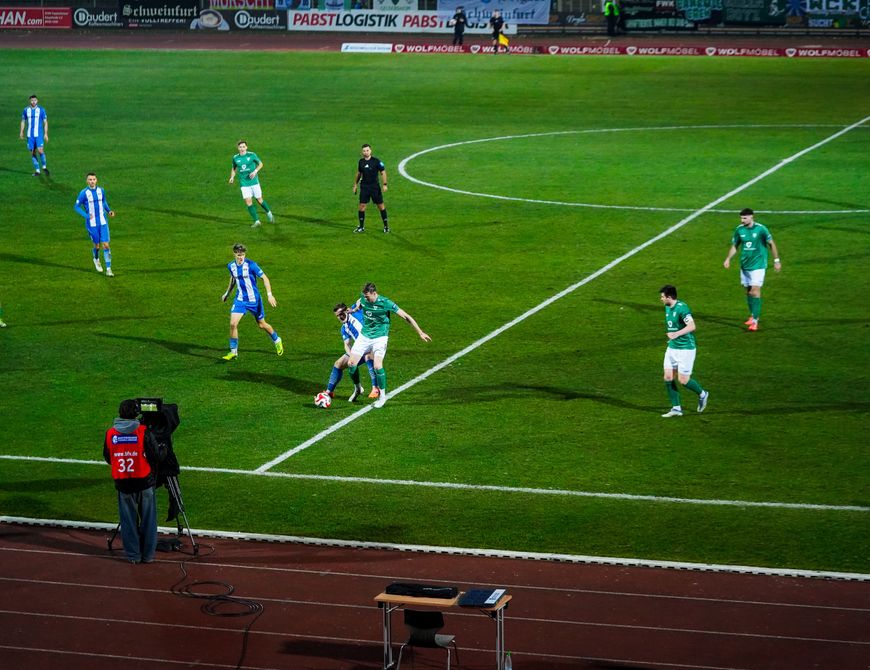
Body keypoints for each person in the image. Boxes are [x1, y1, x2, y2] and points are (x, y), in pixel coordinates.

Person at [346, 282, 431, 408]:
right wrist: (353, 310)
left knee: (377, 365)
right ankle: (358, 388)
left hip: (380, 338)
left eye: (368, 296)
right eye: (364, 296)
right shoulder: (363, 298)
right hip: (365, 336)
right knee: (351, 364)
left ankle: (383, 396)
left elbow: (406, 316)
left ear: (374, 293)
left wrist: (420, 332)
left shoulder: (385, 303)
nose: (366, 298)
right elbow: (359, 303)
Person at [104, 399, 161, 564]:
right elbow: (155, 456)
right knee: (149, 520)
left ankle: (133, 556)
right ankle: (148, 556)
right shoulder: (143, 431)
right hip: (144, 482)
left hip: (123, 484)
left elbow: (108, 457)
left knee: (128, 522)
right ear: (136, 413)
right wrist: (163, 450)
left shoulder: (110, 433)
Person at [220, 243, 283, 360]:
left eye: (243, 255)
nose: (241, 257)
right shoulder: (231, 266)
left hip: (254, 300)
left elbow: (265, 278)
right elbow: (233, 279)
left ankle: (277, 339)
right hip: (240, 300)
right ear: (234, 254)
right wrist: (227, 294)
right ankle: (233, 352)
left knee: (261, 324)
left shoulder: (251, 265)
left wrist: (270, 295)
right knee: (233, 324)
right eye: (239, 255)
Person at [723, 208, 782, 331]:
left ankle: (755, 320)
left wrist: (776, 260)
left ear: (751, 217)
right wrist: (728, 258)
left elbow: (771, 243)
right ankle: (752, 315)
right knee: (748, 291)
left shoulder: (761, 229)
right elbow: (735, 246)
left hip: (758, 266)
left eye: (744, 218)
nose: (742, 220)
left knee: (754, 291)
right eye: (741, 218)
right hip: (745, 265)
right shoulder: (739, 230)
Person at [659, 285, 709, 418]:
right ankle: (676, 408)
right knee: (668, 377)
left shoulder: (682, 308)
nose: (661, 299)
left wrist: (676, 334)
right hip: (672, 348)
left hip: (686, 350)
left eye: (662, 297)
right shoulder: (667, 307)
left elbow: (692, 326)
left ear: (669, 297)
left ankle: (702, 394)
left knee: (683, 380)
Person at [323, 302, 380, 402]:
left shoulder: (355, 311)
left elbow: (362, 299)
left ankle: (375, 387)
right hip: (360, 349)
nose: (340, 317)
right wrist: (351, 356)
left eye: (341, 313)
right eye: (337, 316)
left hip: (374, 341)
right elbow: (347, 344)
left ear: (346, 310)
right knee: (338, 363)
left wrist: (355, 308)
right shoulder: (344, 328)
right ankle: (329, 392)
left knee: (368, 356)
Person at [74, 173, 116, 276]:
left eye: (93, 179)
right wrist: (86, 215)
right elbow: (76, 207)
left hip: (103, 222)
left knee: (106, 245)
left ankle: (109, 268)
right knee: (97, 246)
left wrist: (109, 210)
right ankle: (96, 259)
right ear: (87, 181)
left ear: (96, 180)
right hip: (92, 224)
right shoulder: (83, 193)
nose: (92, 181)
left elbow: (104, 202)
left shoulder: (101, 190)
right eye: (90, 180)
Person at [229, 140, 274, 228]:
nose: (242, 148)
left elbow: (261, 164)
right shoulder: (235, 158)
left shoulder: (252, 155)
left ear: (246, 147)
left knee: (259, 200)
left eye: (243, 147)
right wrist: (232, 177)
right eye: (240, 147)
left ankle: (268, 212)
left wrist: (255, 171)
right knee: (248, 201)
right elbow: (234, 168)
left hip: (254, 182)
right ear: (238, 148)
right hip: (244, 183)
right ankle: (257, 221)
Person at [353, 144, 390, 233]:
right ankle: (361, 227)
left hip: (374, 187)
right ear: (362, 152)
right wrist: (355, 185)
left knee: (381, 206)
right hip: (364, 187)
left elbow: (383, 172)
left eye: (367, 150)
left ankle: (386, 227)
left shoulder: (376, 161)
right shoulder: (361, 162)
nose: (366, 152)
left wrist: (384, 184)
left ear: (371, 151)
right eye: (364, 151)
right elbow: (359, 174)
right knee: (362, 206)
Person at [20, 94, 49, 177]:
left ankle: (44, 167)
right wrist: (21, 131)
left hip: (39, 134)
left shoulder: (41, 110)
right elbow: (23, 121)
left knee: (40, 150)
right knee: (33, 152)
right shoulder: (26, 110)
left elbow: (45, 122)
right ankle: (37, 171)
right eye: (32, 100)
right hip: (30, 135)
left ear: (37, 101)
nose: (33, 102)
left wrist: (46, 134)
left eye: (35, 100)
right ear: (30, 101)